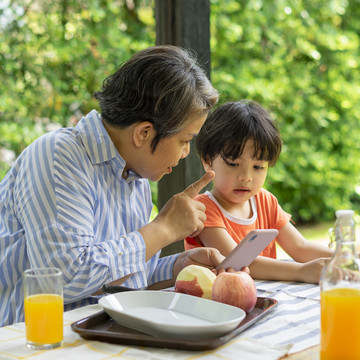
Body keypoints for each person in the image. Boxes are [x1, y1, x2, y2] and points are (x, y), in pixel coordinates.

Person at [0, 45, 225, 327]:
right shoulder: (58, 156)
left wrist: (178, 266)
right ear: (143, 133)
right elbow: (67, 277)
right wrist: (162, 229)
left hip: (103, 337)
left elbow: (123, 272)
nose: (185, 153)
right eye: (184, 140)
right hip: (36, 343)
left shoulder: (134, 175)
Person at [185, 100, 334, 284]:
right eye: (233, 164)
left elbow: (300, 247)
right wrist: (302, 271)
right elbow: (239, 262)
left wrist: (344, 258)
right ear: (208, 161)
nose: (246, 177)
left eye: (258, 167)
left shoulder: (265, 201)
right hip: (219, 304)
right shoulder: (203, 209)